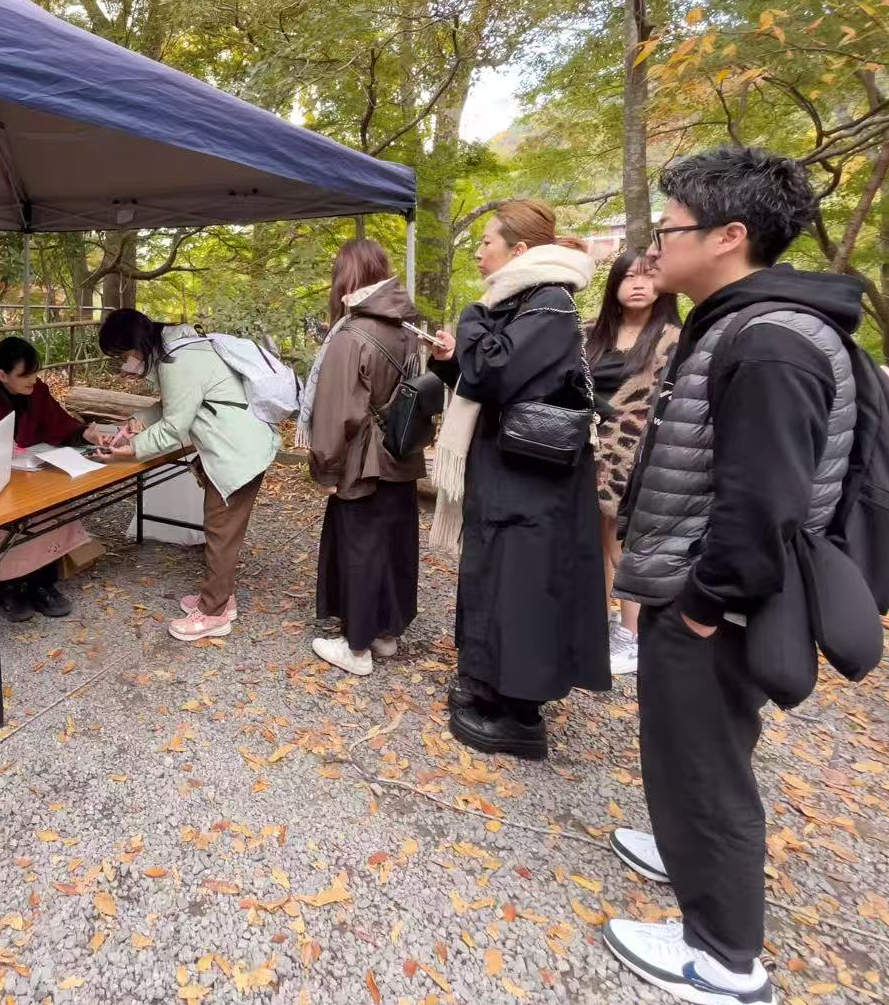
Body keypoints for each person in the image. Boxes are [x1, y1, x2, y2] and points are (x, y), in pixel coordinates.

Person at [602, 146, 853, 1005]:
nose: (656, 247)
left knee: (708, 763)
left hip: (716, 599)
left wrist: (706, 603)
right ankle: (684, 852)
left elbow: (766, 502)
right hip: (694, 583)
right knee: (693, 747)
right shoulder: (742, 325)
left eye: (670, 229)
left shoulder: (771, 341)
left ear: (729, 235)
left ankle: (724, 961)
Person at [426, 200, 609, 760]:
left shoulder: (550, 302)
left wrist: (470, 319)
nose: (479, 251)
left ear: (520, 249)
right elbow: (491, 376)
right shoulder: (528, 302)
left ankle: (519, 716)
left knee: (522, 589)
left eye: (487, 241)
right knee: (499, 581)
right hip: (514, 474)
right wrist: (451, 361)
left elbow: (493, 372)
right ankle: (488, 686)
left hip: (532, 482)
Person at [97, 308, 279, 643]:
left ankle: (214, 613)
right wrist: (136, 423)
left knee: (221, 531)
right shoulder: (180, 347)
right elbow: (178, 404)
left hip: (237, 452)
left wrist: (132, 449)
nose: (124, 364)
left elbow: (173, 428)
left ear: (136, 346)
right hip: (238, 444)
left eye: (122, 355)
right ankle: (221, 596)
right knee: (222, 529)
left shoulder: (177, 361)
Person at [299, 239, 424, 676]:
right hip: (400, 454)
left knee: (359, 549)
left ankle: (355, 648)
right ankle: (385, 635)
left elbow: (336, 415)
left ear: (346, 278)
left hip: (362, 463)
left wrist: (326, 469)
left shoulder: (350, 337)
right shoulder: (406, 331)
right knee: (392, 546)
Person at [0, 336, 105, 622]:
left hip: (29, 469)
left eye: (35, 373)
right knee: (4, 514)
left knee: (52, 500)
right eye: (25, 375)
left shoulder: (37, 390)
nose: (33, 380)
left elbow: (57, 423)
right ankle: (6, 586)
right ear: (2, 375)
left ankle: (42, 582)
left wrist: (83, 434)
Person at [585, 251, 681, 675]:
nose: (638, 284)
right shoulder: (591, 334)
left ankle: (632, 634)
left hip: (637, 455)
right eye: (628, 277)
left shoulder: (675, 340)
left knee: (623, 542)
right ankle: (599, 621)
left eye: (647, 276)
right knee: (595, 539)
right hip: (588, 452)